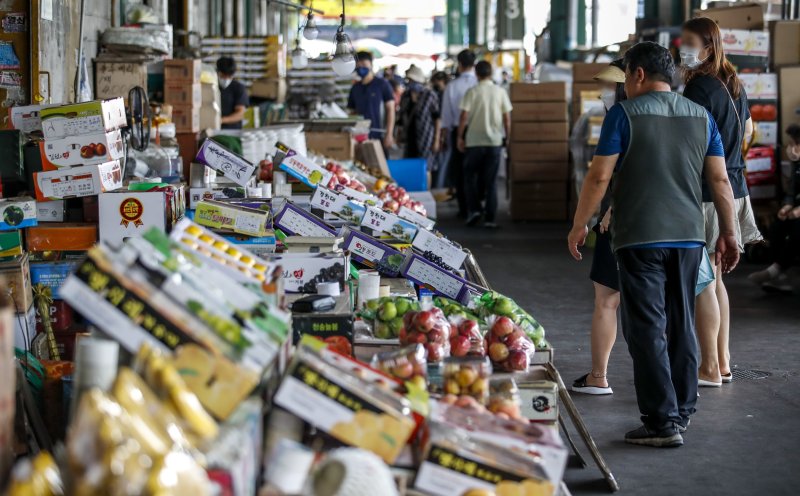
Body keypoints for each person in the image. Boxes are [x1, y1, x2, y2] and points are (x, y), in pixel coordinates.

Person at [568, 42, 739, 447]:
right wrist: (729, 232)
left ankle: (662, 422)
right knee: (681, 321)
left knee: (646, 326)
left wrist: (580, 224)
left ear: (639, 74)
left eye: (626, 75)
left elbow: (599, 177)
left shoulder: (624, 114)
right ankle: (682, 410)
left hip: (640, 237)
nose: (625, 84)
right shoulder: (700, 116)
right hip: (689, 237)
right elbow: (719, 180)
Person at [680, 17, 763, 387]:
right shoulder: (733, 82)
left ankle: (709, 368)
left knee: (703, 281)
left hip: (709, 192)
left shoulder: (699, 87)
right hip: (735, 187)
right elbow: (748, 130)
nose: (683, 48)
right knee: (715, 279)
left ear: (708, 46)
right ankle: (723, 362)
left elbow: (689, 143)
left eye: (689, 42)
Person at [570, 60, 627, 395]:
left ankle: (598, 376)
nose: (604, 92)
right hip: (671, 227)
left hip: (622, 221)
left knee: (606, 299)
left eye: (610, 85)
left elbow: (602, 176)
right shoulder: (675, 114)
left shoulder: (620, 117)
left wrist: (593, 218)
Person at [457, 60, 512, 228]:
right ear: (491, 73)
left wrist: (460, 137)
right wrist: (508, 138)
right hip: (494, 142)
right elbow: (507, 119)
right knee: (491, 181)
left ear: (476, 74)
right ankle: (490, 218)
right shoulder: (500, 92)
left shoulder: (472, 92)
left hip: (474, 142)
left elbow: (464, 117)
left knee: (469, 177)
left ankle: (474, 210)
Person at [748, 124, 800, 293]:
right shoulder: (797, 165)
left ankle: (775, 271)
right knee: (777, 227)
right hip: (796, 211)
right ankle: (779, 276)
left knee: (797, 230)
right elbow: (792, 191)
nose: (791, 148)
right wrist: (787, 206)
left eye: (795, 144)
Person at [441, 50, 478, 218]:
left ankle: (464, 209)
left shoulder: (452, 86)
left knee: (461, 171)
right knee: (477, 170)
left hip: (458, 131)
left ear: (460, 65)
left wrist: (446, 135)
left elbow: (446, 115)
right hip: (479, 130)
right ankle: (477, 207)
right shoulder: (480, 84)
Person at [347, 51, 395, 155]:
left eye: (364, 64)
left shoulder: (382, 84)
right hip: (360, 137)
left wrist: (389, 134)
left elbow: (391, 110)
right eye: (358, 65)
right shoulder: (355, 88)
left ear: (371, 65)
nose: (361, 68)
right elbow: (352, 113)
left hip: (380, 135)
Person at [398, 66, 441, 166]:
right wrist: (399, 135)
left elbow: (437, 119)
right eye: (408, 80)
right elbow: (401, 117)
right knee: (409, 165)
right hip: (409, 138)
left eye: (411, 80)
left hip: (426, 138)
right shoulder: (406, 95)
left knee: (425, 166)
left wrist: (436, 140)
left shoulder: (430, 95)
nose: (409, 82)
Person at [430, 71, 451, 189]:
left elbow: (441, 117)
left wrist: (439, 137)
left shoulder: (444, 94)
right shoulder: (441, 94)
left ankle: (439, 187)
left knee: (442, 162)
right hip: (442, 131)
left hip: (444, 131)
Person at [217, 57, 249, 130]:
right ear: (218, 72)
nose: (226, 79)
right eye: (223, 76)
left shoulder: (238, 88)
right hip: (212, 130)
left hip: (232, 130)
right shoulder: (212, 87)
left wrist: (221, 120)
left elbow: (240, 114)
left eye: (229, 76)